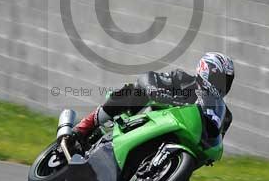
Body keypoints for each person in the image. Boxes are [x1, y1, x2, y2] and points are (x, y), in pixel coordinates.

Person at [72, 52, 235, 145]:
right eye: (221, 78)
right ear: (207, 71)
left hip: (177, 138)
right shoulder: (184, 80)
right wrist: (155, 91)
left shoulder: (224, 115)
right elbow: (148, 77)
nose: (224, 84)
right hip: (146, 117)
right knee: (133, 91)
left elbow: (214, 142)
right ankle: (84, 126)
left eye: (227, 80)